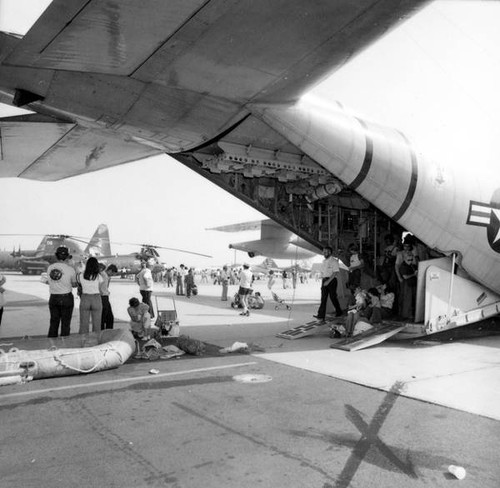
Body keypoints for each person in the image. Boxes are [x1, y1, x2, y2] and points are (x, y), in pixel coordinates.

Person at [45, 246, 77, 338]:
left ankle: (51, 344)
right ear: (67, 256)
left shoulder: (50, 268)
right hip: (66, 298)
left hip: (54, 298)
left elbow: (50, 281)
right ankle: (64, 345)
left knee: (54, 323)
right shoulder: (70, 269)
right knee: (65, 324)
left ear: (56, 256)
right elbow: (74, 284)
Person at [314, 245, 343, 321]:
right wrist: (323, 279)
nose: (324, 253)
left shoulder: (333, 261)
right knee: (323, 298)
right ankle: (321, 315)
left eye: (326, 252)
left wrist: (328, 281)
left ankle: (339, 311)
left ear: (330, 252)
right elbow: (324, 272)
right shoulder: (324, 261)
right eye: (324, 252)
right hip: (325, 280)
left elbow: (335, 272)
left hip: (332, 280)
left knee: (333, 297)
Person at [77, 257, 104, 334]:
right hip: (96, 298)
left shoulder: (81, 275)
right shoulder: (99, 276)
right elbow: (100, 290)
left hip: (85, 298)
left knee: (83, 324)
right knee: (97, 323)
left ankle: (83, 342)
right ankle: (96, 342)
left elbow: (79, 286)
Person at [99, 263, 117, 330]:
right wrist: (101, 292)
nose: (111, 275)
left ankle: (108, 331)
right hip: (103, 297)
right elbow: (99, 285)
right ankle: (103, 332)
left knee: (109, 317)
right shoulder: (103, 275)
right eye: (112, 273)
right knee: (103, 317)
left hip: (105, 296)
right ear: (110, 270)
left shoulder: (106, 276)